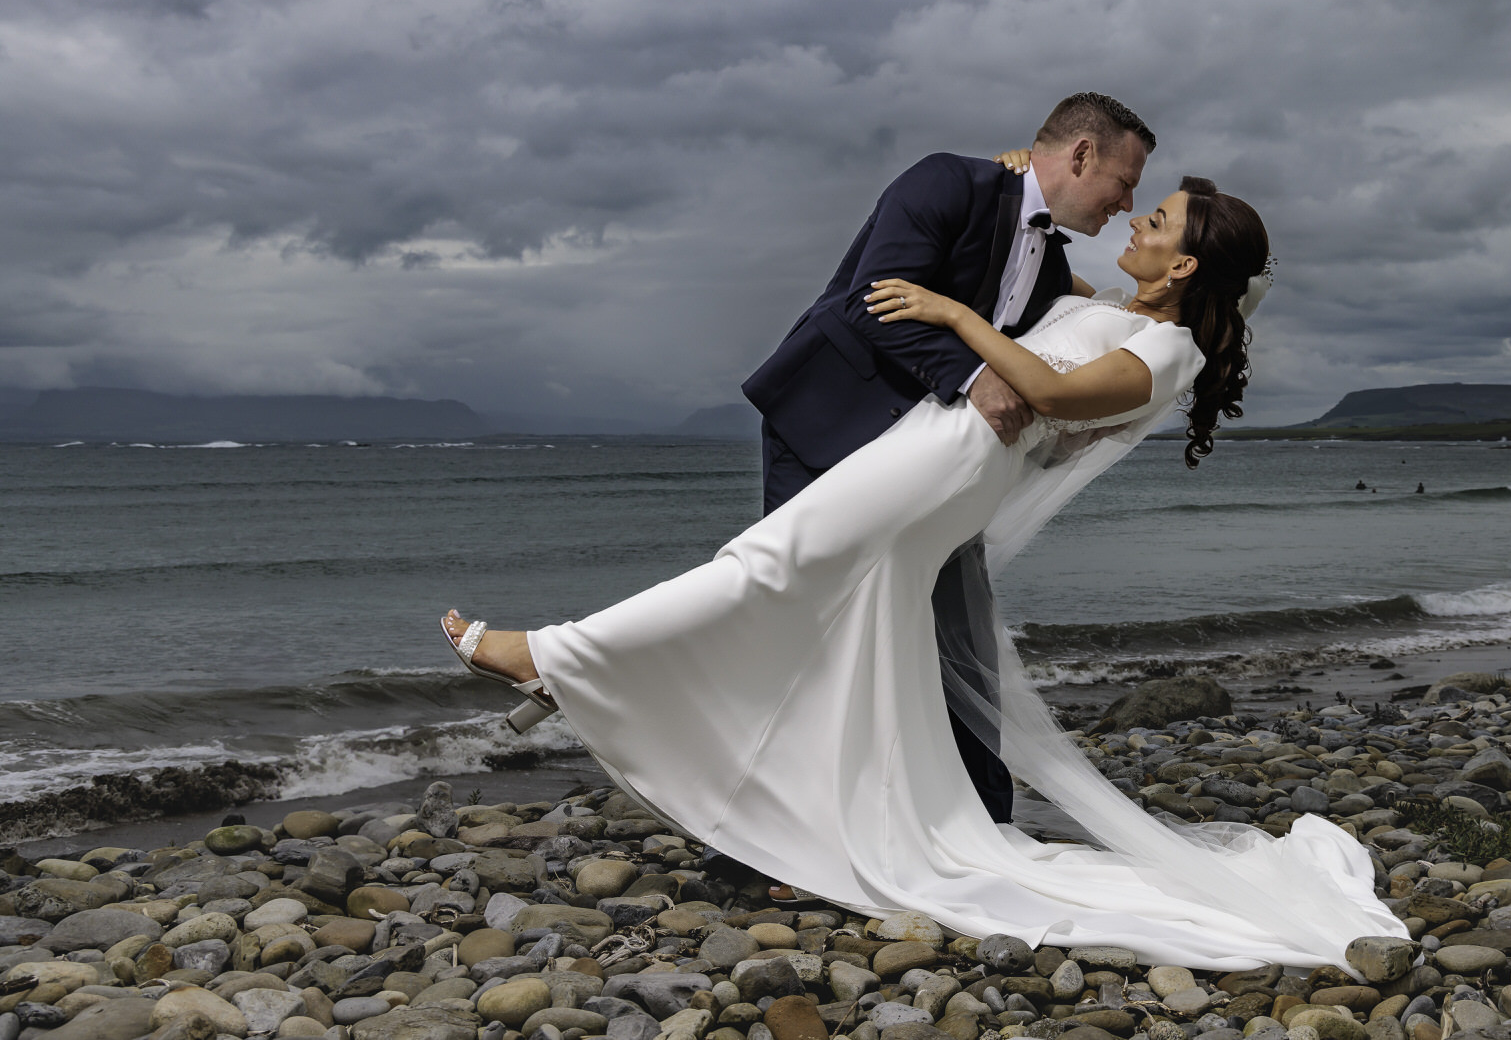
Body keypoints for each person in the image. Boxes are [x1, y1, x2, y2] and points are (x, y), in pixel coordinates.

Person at [440, 175, 1404, 967]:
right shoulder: (1122, 311)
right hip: (932, 452)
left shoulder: (1169, 347)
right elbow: (1043, 313)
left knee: (769, 564)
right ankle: (801, 796)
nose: (1139, 221)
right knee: (839, 627)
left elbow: (1052, 390)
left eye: (1155, 222)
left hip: (945, 468)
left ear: (1185, 263)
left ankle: (547, 658)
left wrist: (947, 311)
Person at [735, 91, 1153, 824]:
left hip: (930, 460)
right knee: (805, 625)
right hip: (827, 428)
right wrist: (972, 376)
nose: (1125, 203)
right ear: (1082, 156)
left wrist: (1074, 423)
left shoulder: (1052, 266)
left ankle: (980, 819)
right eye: (1124, 182)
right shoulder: (948, 182)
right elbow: (874, 297)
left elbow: (1066, 348)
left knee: (960, 629)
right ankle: (751, 836)